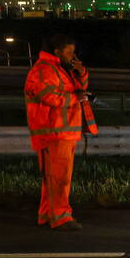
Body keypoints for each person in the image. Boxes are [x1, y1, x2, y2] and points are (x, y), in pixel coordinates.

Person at [24, 34, 95, 230]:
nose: (73, 55)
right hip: (53, 133)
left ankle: (47, 215)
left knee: (53, 179)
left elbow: (78, 89)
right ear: (56, 51)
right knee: (59, 179)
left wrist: (80, 72)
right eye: (69, 51)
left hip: (62, 132)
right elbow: (49, 97)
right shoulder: (43, 70)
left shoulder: (60, 70)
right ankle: (61, 218)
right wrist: (75, 98)